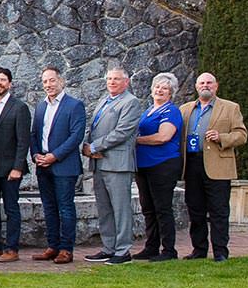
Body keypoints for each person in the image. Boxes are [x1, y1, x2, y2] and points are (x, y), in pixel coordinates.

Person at [179, 71, 247, 262]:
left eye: (209, 83)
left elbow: (241, 135)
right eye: (202, 83)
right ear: (196, 87)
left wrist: (222, 137)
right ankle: (199, 249)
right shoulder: (185, 109)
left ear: (216, 86)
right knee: (195, 209)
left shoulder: (230, 108)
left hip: (218, 165)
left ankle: (220, 252)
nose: (205, 86)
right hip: (192, 164)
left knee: (219, 211)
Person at [83, 65, 140, 265]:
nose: (112, 82)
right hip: (99, 163)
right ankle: (109, 248)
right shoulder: (104, 100)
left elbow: (122, 132)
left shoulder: (131, 102)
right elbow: (94, 128)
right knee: (105, 209)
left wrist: (95, 146)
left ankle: (123, 251)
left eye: (116, 79)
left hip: (117, 164)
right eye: (109, 79)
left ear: (126, 82)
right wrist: (86, 147)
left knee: (120, 209)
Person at [30, 65, 87, 264]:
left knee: (65, 208)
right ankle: (52, 246)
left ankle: (66, 249)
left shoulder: (74, 105)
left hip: (64, 165)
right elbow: (34, 134)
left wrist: (54, 156)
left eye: (52, 80)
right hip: (43, 165)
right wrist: (36, 154)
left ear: (61, 81)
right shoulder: (41, 107)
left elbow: (76, 136)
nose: (48, 85)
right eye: (45, 81)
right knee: (49, 208)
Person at [133, 72, 184, 261]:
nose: (160, 90)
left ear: (171, 92)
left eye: (165, 88)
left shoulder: (171, 111)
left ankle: (169, 250)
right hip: (144, 165)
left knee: (162, 208)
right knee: (148, 208)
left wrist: (136, 140)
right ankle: (151, 247)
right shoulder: (148, 111)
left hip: (162, 164)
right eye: (157, 87)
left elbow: (164, 136)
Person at [0, 66, 32, 263]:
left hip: (10, 168)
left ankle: (12, 248)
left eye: (3, 80)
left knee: (11, 209)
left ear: (9, 84)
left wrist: (17, 167)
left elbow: (23, 140)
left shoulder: (19, 107)